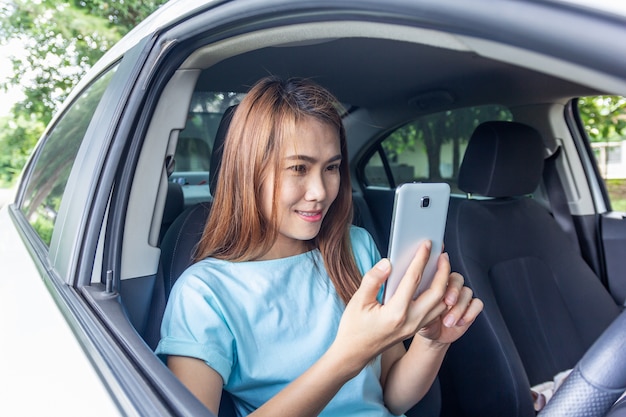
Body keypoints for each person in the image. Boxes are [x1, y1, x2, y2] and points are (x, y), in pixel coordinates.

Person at [156, 76, 483, 416]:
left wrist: (433, 342)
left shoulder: (356, 247)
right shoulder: (203, 294)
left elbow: (391, 397)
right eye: (299, 168)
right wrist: (347, 357)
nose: (321, 192)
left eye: (331, 168)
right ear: (248, 172)